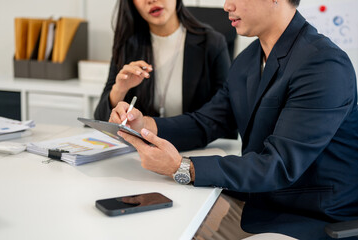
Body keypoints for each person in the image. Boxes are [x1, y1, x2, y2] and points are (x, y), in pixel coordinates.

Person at [110, 0, 358, 239]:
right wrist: (144, 125)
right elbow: (206, 122)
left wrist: (182, 167)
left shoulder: (322, 64)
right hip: (256, 206)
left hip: (310, 220)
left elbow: (279, 164)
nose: (227, 6)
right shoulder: (248, 60)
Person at [94, 0, 231, 121]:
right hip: (142, 147)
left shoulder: (211, 43)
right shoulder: (127, 47)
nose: (150, 0)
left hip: (197, 147)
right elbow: (100, 117)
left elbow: (224, 116)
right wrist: (120, 90)